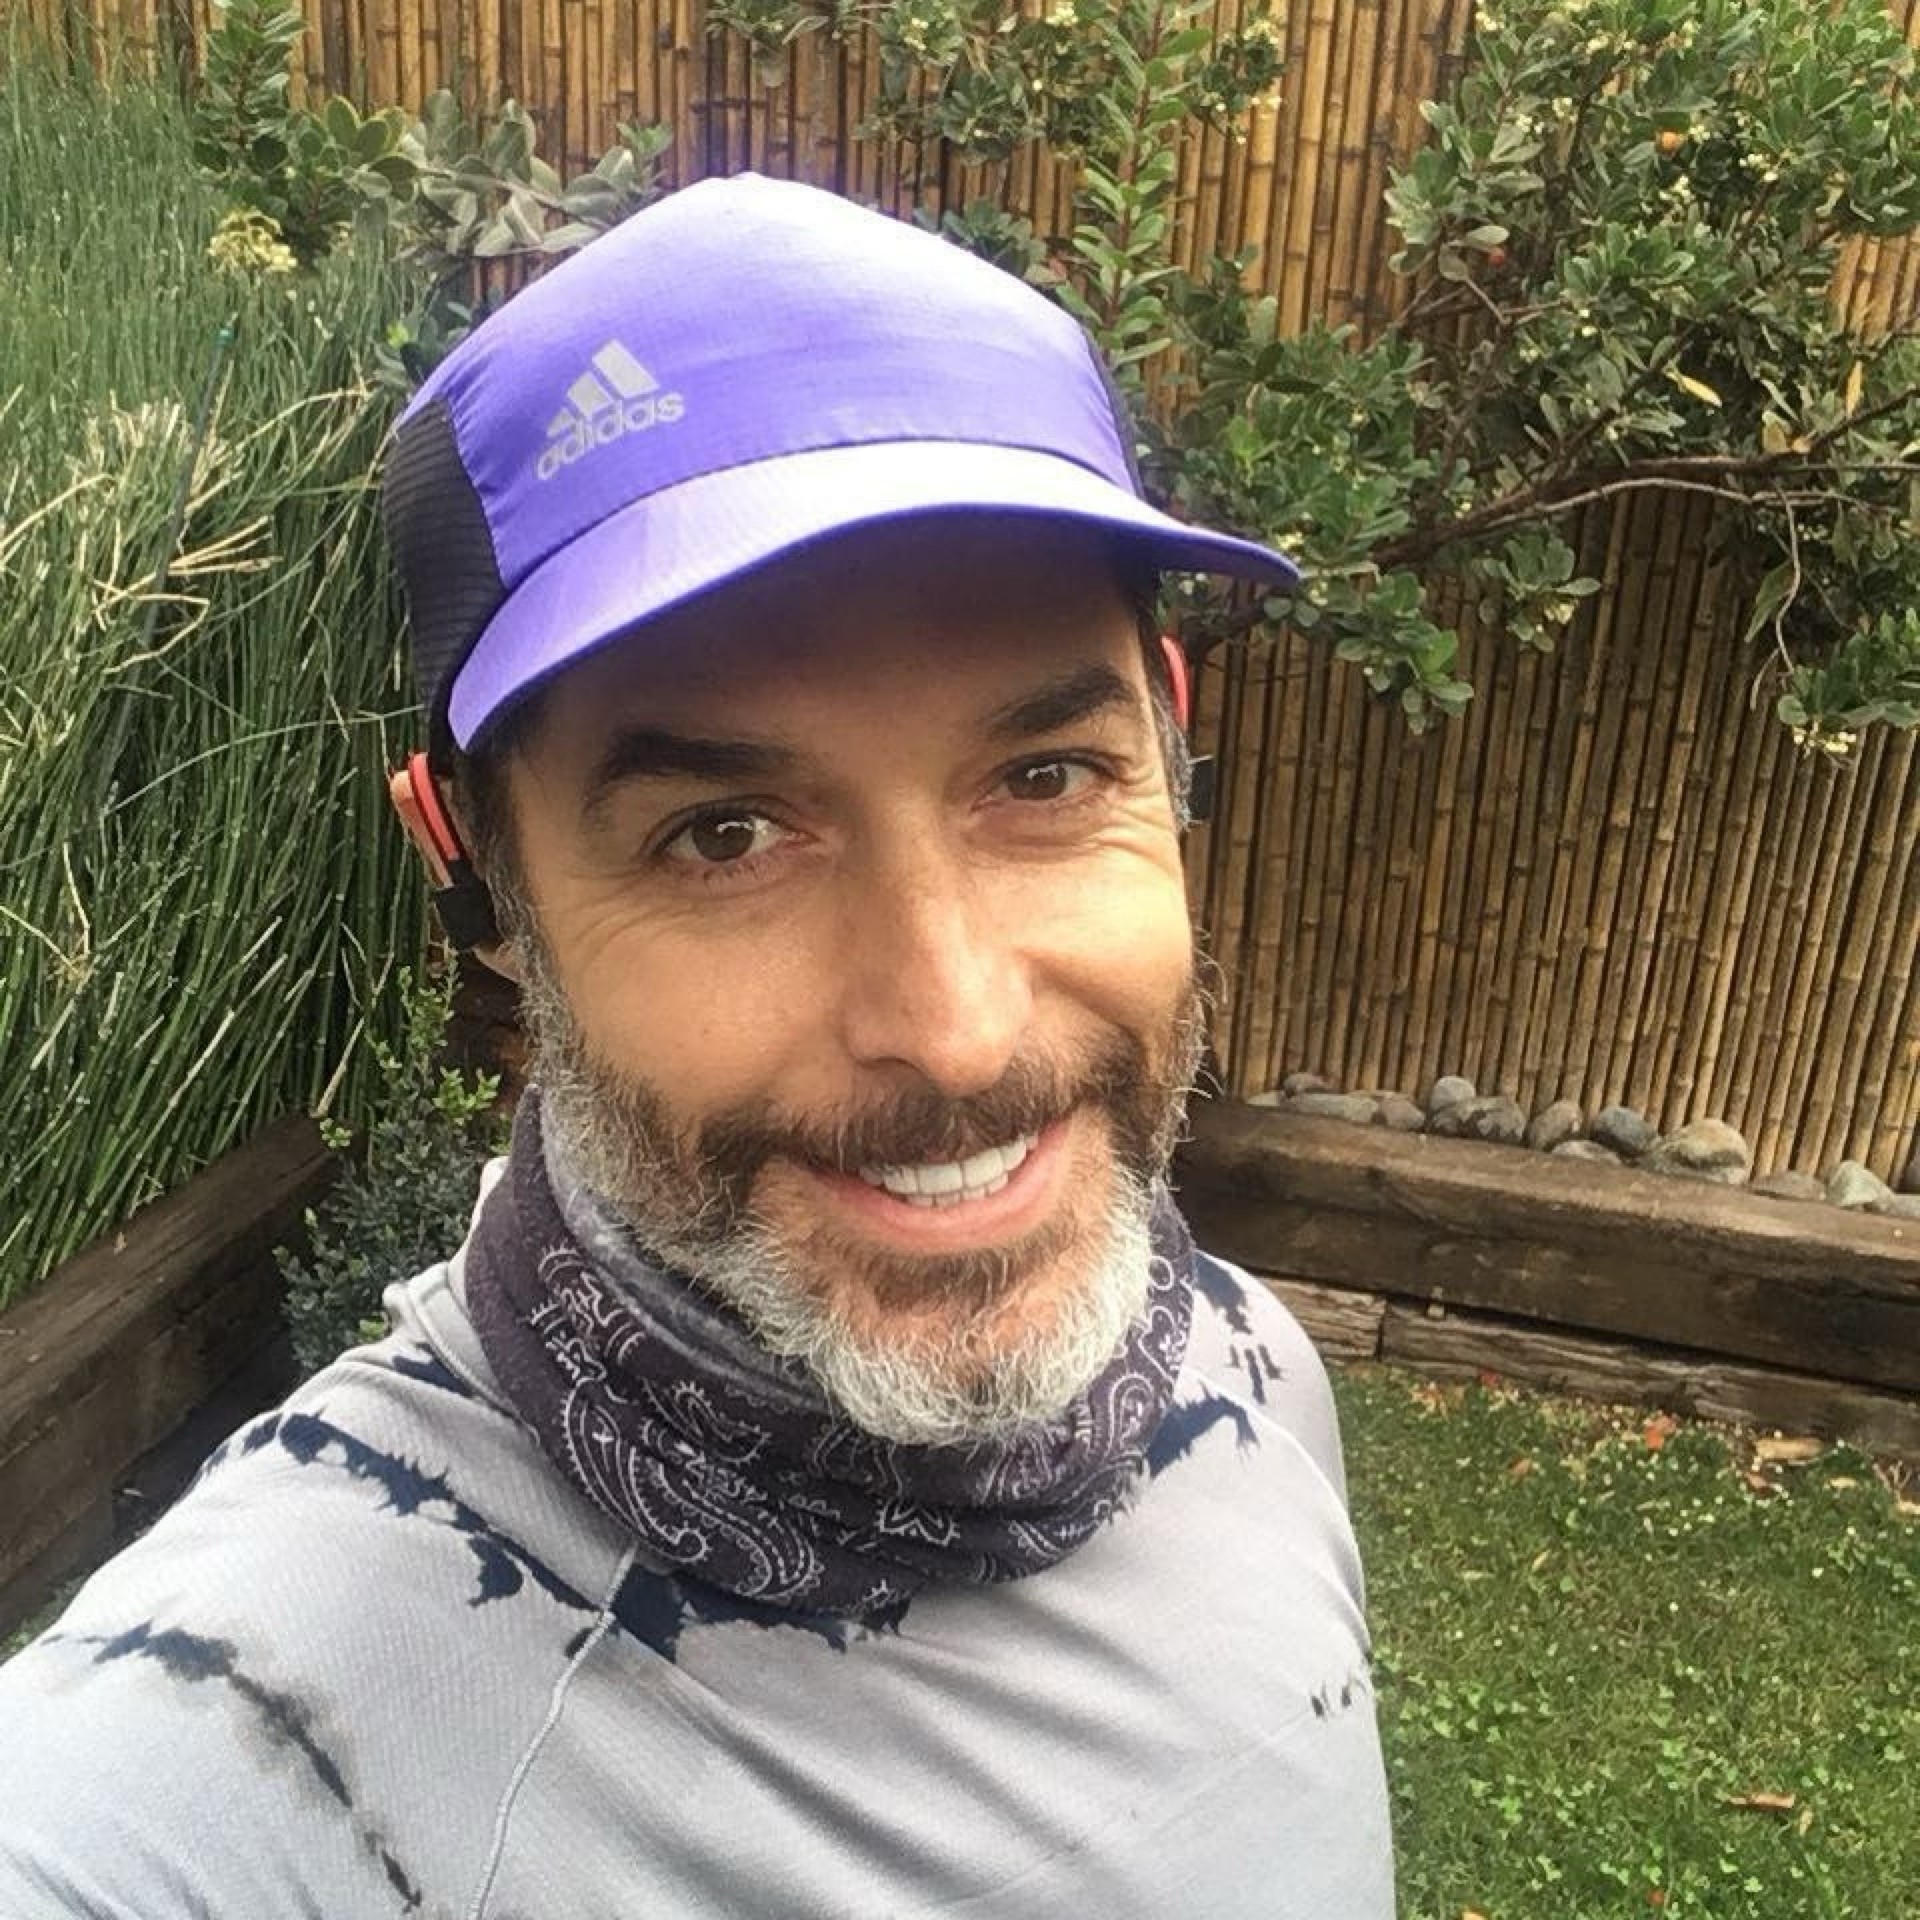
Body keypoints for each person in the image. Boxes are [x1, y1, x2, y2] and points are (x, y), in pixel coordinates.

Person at [0, 175, 1394, 1916]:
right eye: (722, 836)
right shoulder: (238, 1749)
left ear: (1167, 745)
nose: (958, 1029)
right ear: (474, 872)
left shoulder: (1243, 1362)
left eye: (1045, 778)